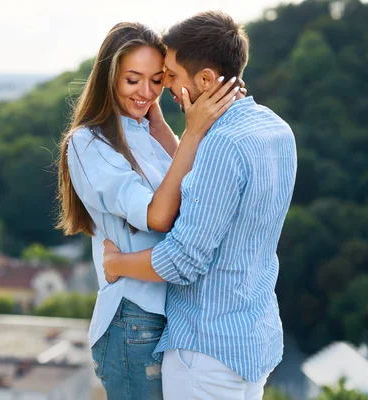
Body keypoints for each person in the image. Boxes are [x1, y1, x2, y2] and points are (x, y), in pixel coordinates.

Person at [102, 11, 297, 400]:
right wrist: (168, 128)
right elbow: (208, 187)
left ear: (205, 80)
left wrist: (116, 264)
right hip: (252, 340)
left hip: (205, 354)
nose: (164, 86)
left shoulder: (224, 146)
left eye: (171, 75)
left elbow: (183, 261)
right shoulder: (275, 129)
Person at [56, 21, 242, 399]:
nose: (145, 92)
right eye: (132, 80)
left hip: (172, 314)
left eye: (157, 80)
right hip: (132, 321)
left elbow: (190, 183)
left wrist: (158, 116)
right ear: (109, 79)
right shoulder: (88, 143)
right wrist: (192, 132)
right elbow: (158, 215)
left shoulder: (144, 130)